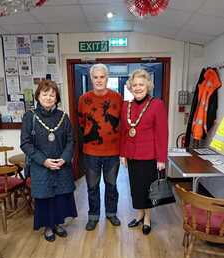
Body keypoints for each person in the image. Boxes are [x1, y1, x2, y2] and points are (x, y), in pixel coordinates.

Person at [21, 80, 77, 242]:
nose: (48, 98)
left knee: (60, 197)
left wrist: (65, 158)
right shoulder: (30, 117)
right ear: (38, 96)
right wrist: (43, 161)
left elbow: (71, 141)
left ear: (57, 98)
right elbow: (25, 143)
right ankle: (47, 227)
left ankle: (58, 224)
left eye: (52, 95)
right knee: (45, 199)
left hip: (61, 166)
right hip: (41, 167)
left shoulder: (63, 117)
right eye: (45, 94)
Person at [120, 69, 168, 235]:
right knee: (136, 188)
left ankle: (147, 218)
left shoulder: (157, 104)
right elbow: (123, 132)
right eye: (135, 85)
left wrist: (161, 159)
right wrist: (122, 154)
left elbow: (162, 133)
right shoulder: (126, 105)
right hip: (132, 155)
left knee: (148, 188)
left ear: (147, 86)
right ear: (130, 87)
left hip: (150, 156)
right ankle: (139, 215)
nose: (138, 88)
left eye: (141, 84)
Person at [78, 64, 123, 231]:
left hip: (113, 152)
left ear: (107, 77)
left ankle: (111, 213)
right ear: (91, 79)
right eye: (95, 77)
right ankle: (93, 216)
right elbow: (81, 123)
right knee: (92, 187)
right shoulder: (83, 99)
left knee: (111, 185)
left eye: (102, 77)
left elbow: (122, 124)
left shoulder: (117, 98)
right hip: (91, 153)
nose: (99, 80)